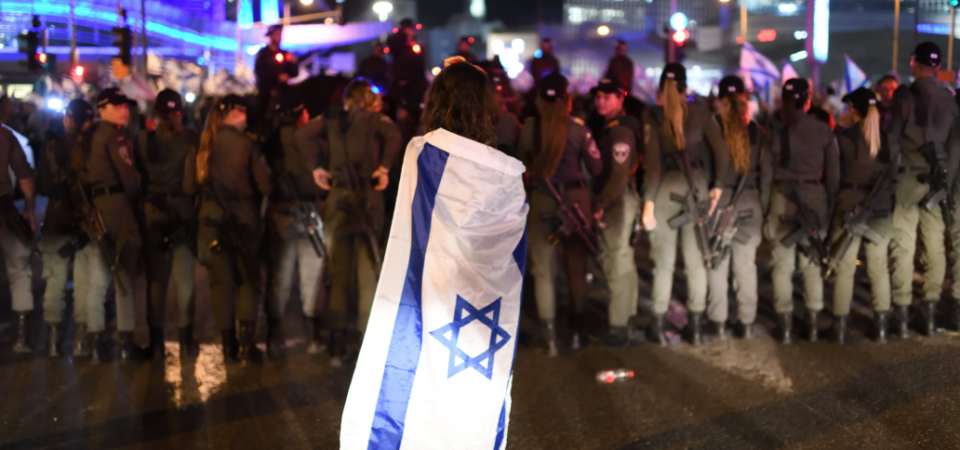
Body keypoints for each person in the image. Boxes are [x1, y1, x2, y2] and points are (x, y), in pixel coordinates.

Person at [311, 80, 400, 366]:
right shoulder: (373, 119)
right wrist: (383, 168)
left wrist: (316, 168)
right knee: (367, 272)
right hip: (366, 194)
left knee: (337, 273)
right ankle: (367, 346)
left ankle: (336, 345)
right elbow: (395, 136)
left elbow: (302, 135)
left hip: (338, 196)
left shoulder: (332, 118)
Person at [641, 64, 728, 346]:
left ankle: (657, 324)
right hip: (697, 190)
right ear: (685, 87)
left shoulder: (654, 116)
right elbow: (722, 154)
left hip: (666, 191)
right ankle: (696, 326)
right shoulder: (702, 113)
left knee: (663, 265)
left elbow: (653, 167)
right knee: (696, 262)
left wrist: (648, 203)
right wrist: (717, 187)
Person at [518, 73, 603, 356]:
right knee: (576, 270)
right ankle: (577, 334)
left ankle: (551, 339)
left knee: (543, 271)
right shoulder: (579, 129)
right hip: (576, 201)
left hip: (543, 199)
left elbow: (521, 165)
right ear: (568, 100)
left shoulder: (529, 129)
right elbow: (596, 169)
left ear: (540, 100)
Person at [889, 42, 960, 337]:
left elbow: (891, 140)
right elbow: (954, 146)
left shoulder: (903, 97)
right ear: (937, 66)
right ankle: (930, 309)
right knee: (934, 244)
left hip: (908, 177)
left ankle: (901, 309)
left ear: (912, 62)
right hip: (938, 179)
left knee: (904, 244)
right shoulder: (949, 99)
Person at [196, 95, 271, 362]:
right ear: (236, 113)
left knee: (220, 283)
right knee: (249, 280)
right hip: (243, 219)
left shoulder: (203, 142)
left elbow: (187, 185)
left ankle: (228, 344)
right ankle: (246, 344)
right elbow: (265, 186)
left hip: (210, 220)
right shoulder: (246, 144)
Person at [764, 78, 840, 344]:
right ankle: (813, 324)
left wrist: (765, 208)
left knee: (782, 264)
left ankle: (784, 326)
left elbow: (765, 174)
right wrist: (828, 207)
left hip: (782, 198)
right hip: (814, 198)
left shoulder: (774, 130)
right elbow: (833, 176)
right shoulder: (823, 130)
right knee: (811, 263)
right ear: (808, 101)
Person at [74, 87, 142, 362]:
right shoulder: (116, 136)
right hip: (117, 208)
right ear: (102, 110)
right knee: (124, 277)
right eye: (117, 105)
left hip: (93, 211)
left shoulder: (87, 137)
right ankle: (126, 344)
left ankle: (96, 344)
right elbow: (130, 179)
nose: (123, 109)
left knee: (97, 282)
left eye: (125, 104)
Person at [830, 88, 898, 344]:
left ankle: (839, 327)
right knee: (878, 268)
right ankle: (881, 325)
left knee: (845, 268)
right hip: (879, 208)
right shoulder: (889, 140)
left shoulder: (844, 136)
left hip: (849, 204)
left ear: (853, 110)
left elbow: (835, 172)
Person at [706, 76, 771, 340]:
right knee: (746, 267)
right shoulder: (758, 131)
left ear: (720, 100)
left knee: (717, 263)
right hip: (749, 204)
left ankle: (717, 322)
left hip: (719, 204)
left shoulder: (712, 128)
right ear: (744, 98)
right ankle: (746, 322)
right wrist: (762, 211)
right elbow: (766, 177)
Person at [263, 95, 328, 359]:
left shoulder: (270, 142)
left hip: (281, 214)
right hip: (310, 211)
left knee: (281, 277)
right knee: (312, 276)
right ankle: (313, 334)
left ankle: (274, 336)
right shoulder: (311, 140)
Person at [136, 89, 199, 359]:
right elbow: (189, 183)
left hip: (152, 214)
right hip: (181, 215)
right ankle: (186, 340)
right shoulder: (188, 140)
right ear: (179, 112)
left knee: (156, 281)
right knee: (184, 279)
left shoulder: (142, 139)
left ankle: (158, 343)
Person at [38, 99, 92, 357]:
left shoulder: (53, 145)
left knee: (54, 279)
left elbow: (43, 185)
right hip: (84, 221)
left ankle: (53, 340)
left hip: (57, 219)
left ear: (68, 119)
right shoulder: (92, 146)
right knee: (84, 281)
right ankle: (82, 340)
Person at [591, 79, 641, 347]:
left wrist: (600, 204)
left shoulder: (620, 131)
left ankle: (618, 326)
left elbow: (619, 175)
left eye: (608, 97)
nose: (601, 101)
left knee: (617, 261)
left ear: (620, 99)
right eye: (599, 96)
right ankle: (626, 316)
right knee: (624, 259)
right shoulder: (613, 127)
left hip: (618, 201)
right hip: (620, 198)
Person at [0, 93, 37, 353]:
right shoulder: (6, 136)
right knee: (19, 268)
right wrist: (30, 209)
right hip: (4, 210)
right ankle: (22, 338)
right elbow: (24, 175)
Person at [254, 24, 299, 137]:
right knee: (262, 109)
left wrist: (293, 63)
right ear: (271, 36)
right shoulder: (263, 53)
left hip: (283, 89)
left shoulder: (285, 53)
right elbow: (260, 72)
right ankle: (260, 131)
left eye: (280, 34)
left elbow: (294, 73)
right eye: (277, 34)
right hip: (267, 89)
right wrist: (276, 77)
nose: (279, 37)